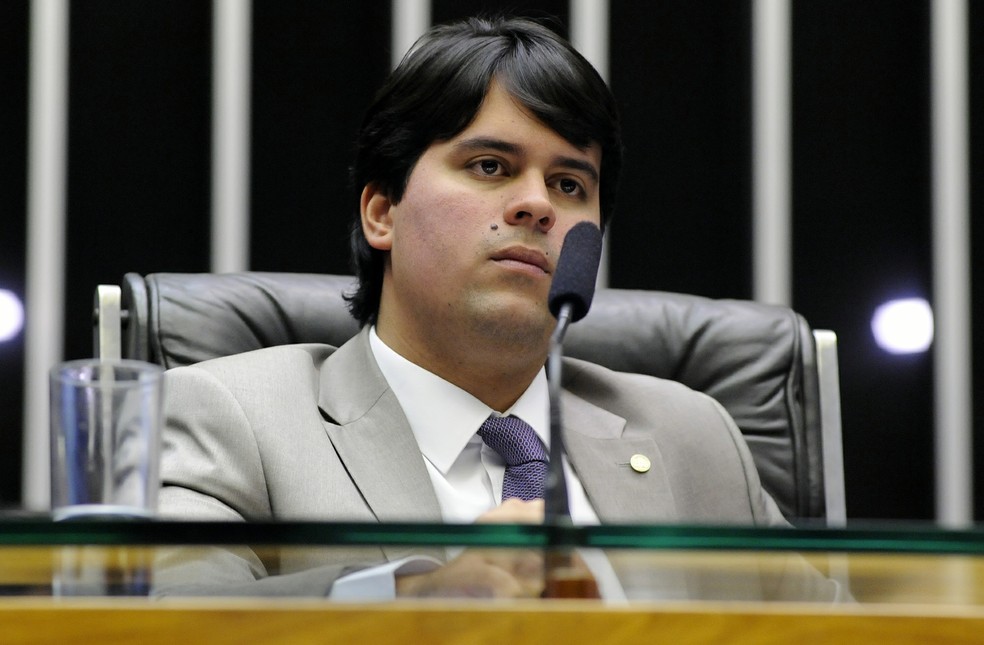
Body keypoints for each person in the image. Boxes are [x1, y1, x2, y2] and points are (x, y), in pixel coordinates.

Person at [155, 15, 813, 600]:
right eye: (491, 166)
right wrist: (417, 599)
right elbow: (164, 619)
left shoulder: (694, 436)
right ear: (383, 211)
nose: (540, 206)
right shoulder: (229, 416)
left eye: (569, 183)